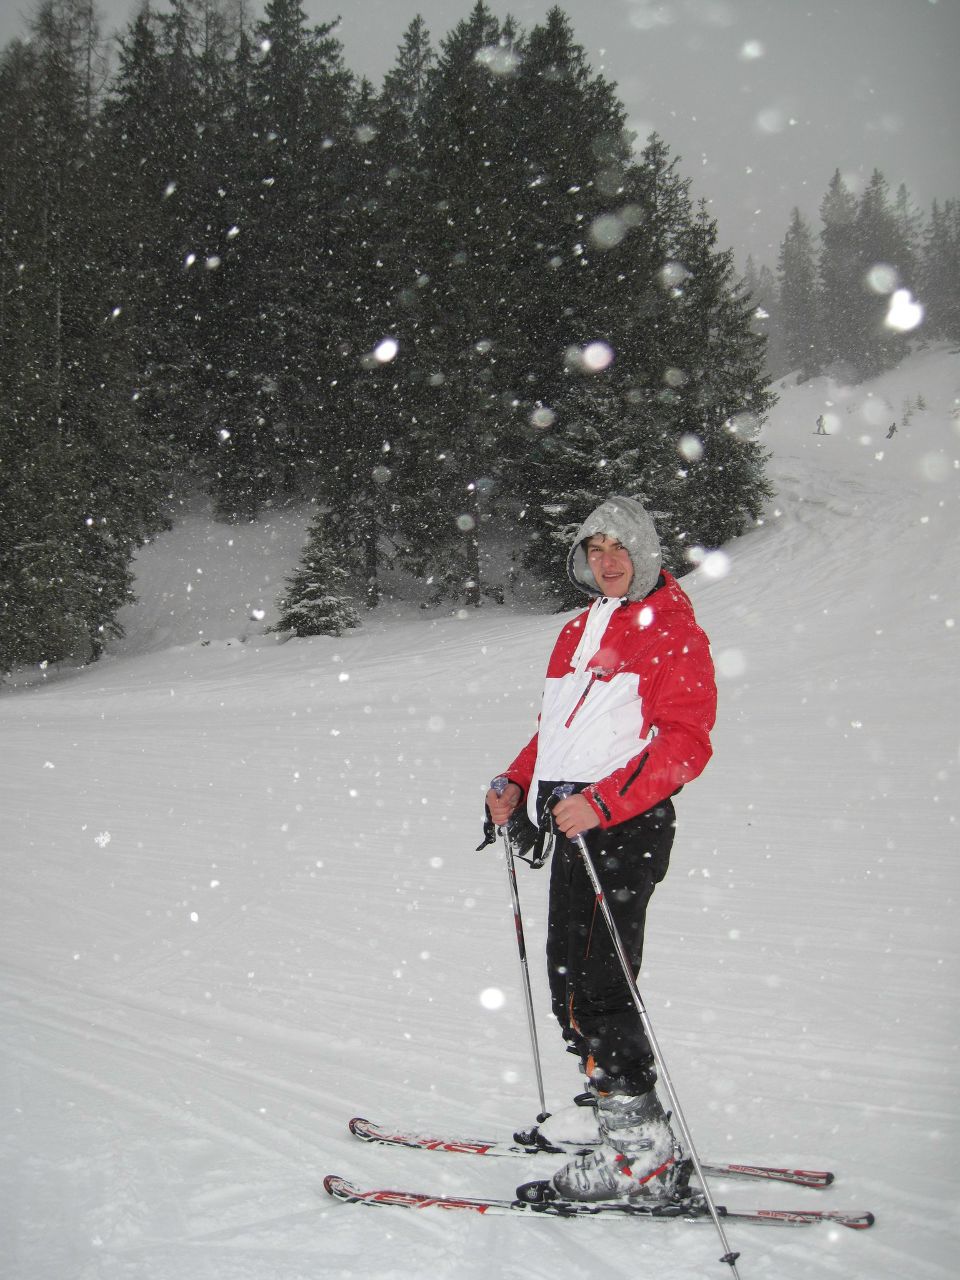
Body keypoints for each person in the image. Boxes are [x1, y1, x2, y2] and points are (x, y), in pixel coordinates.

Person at [485, 495, 717, 1203]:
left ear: (646, 553)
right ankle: (622, 1116)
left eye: (620, 548)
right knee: (568, 986)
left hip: (623, 828)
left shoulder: (674, 633)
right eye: (595, 549)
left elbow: (685, 744)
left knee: (602, 988)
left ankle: (640, 1159)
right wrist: (517, 779)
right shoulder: (579, 630)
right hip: (575, 823)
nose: (608, 561)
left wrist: (603, 802)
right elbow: (558, 731)